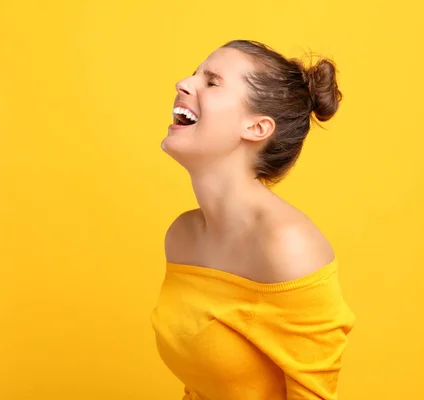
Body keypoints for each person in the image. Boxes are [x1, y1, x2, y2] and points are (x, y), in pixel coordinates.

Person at [151, 40, 355, 400]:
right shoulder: (182, 237)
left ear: (257, 128)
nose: (183, 83)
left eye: (212, 82)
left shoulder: (288, 247)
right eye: (195, 73)